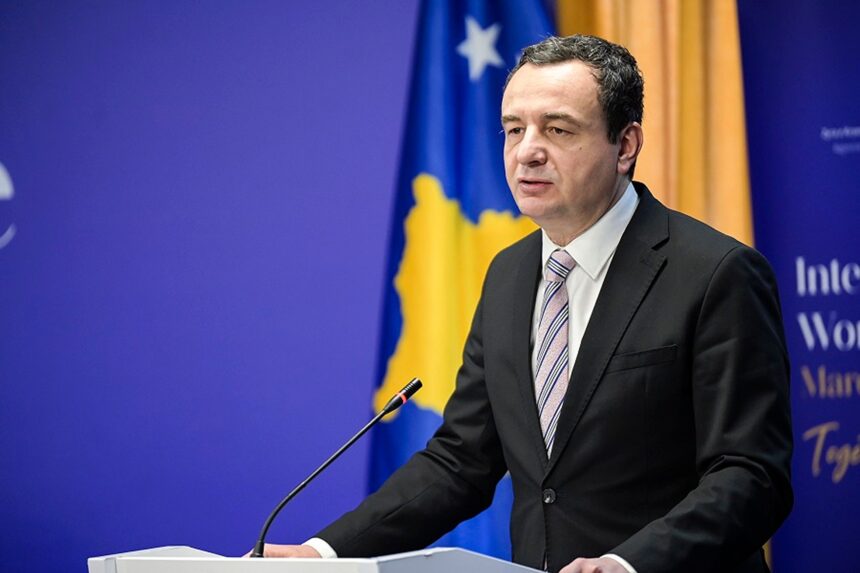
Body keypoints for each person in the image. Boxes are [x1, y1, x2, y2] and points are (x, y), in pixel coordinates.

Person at [258, 35, 793, 573]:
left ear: (626, 145)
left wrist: (628, 564)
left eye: (558, 129)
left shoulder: (716, 273)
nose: (527, 151)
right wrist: (323, 554)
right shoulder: (509, 275)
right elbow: (460, 461)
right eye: (514, 129)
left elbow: (750, 475)